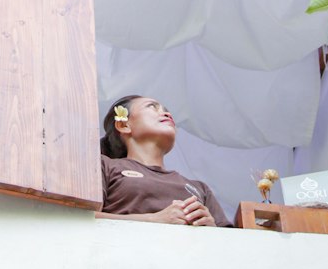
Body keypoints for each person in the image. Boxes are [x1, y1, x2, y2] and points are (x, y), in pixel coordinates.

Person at [97, 94, 232, 227]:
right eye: (152, 107)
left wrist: (212, 229)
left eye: (166, 110)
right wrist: (153, 219)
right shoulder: (103, 166)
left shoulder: (201, 188)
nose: (166, 114)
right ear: (123, 125)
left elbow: (231, 243)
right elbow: (79, 217)